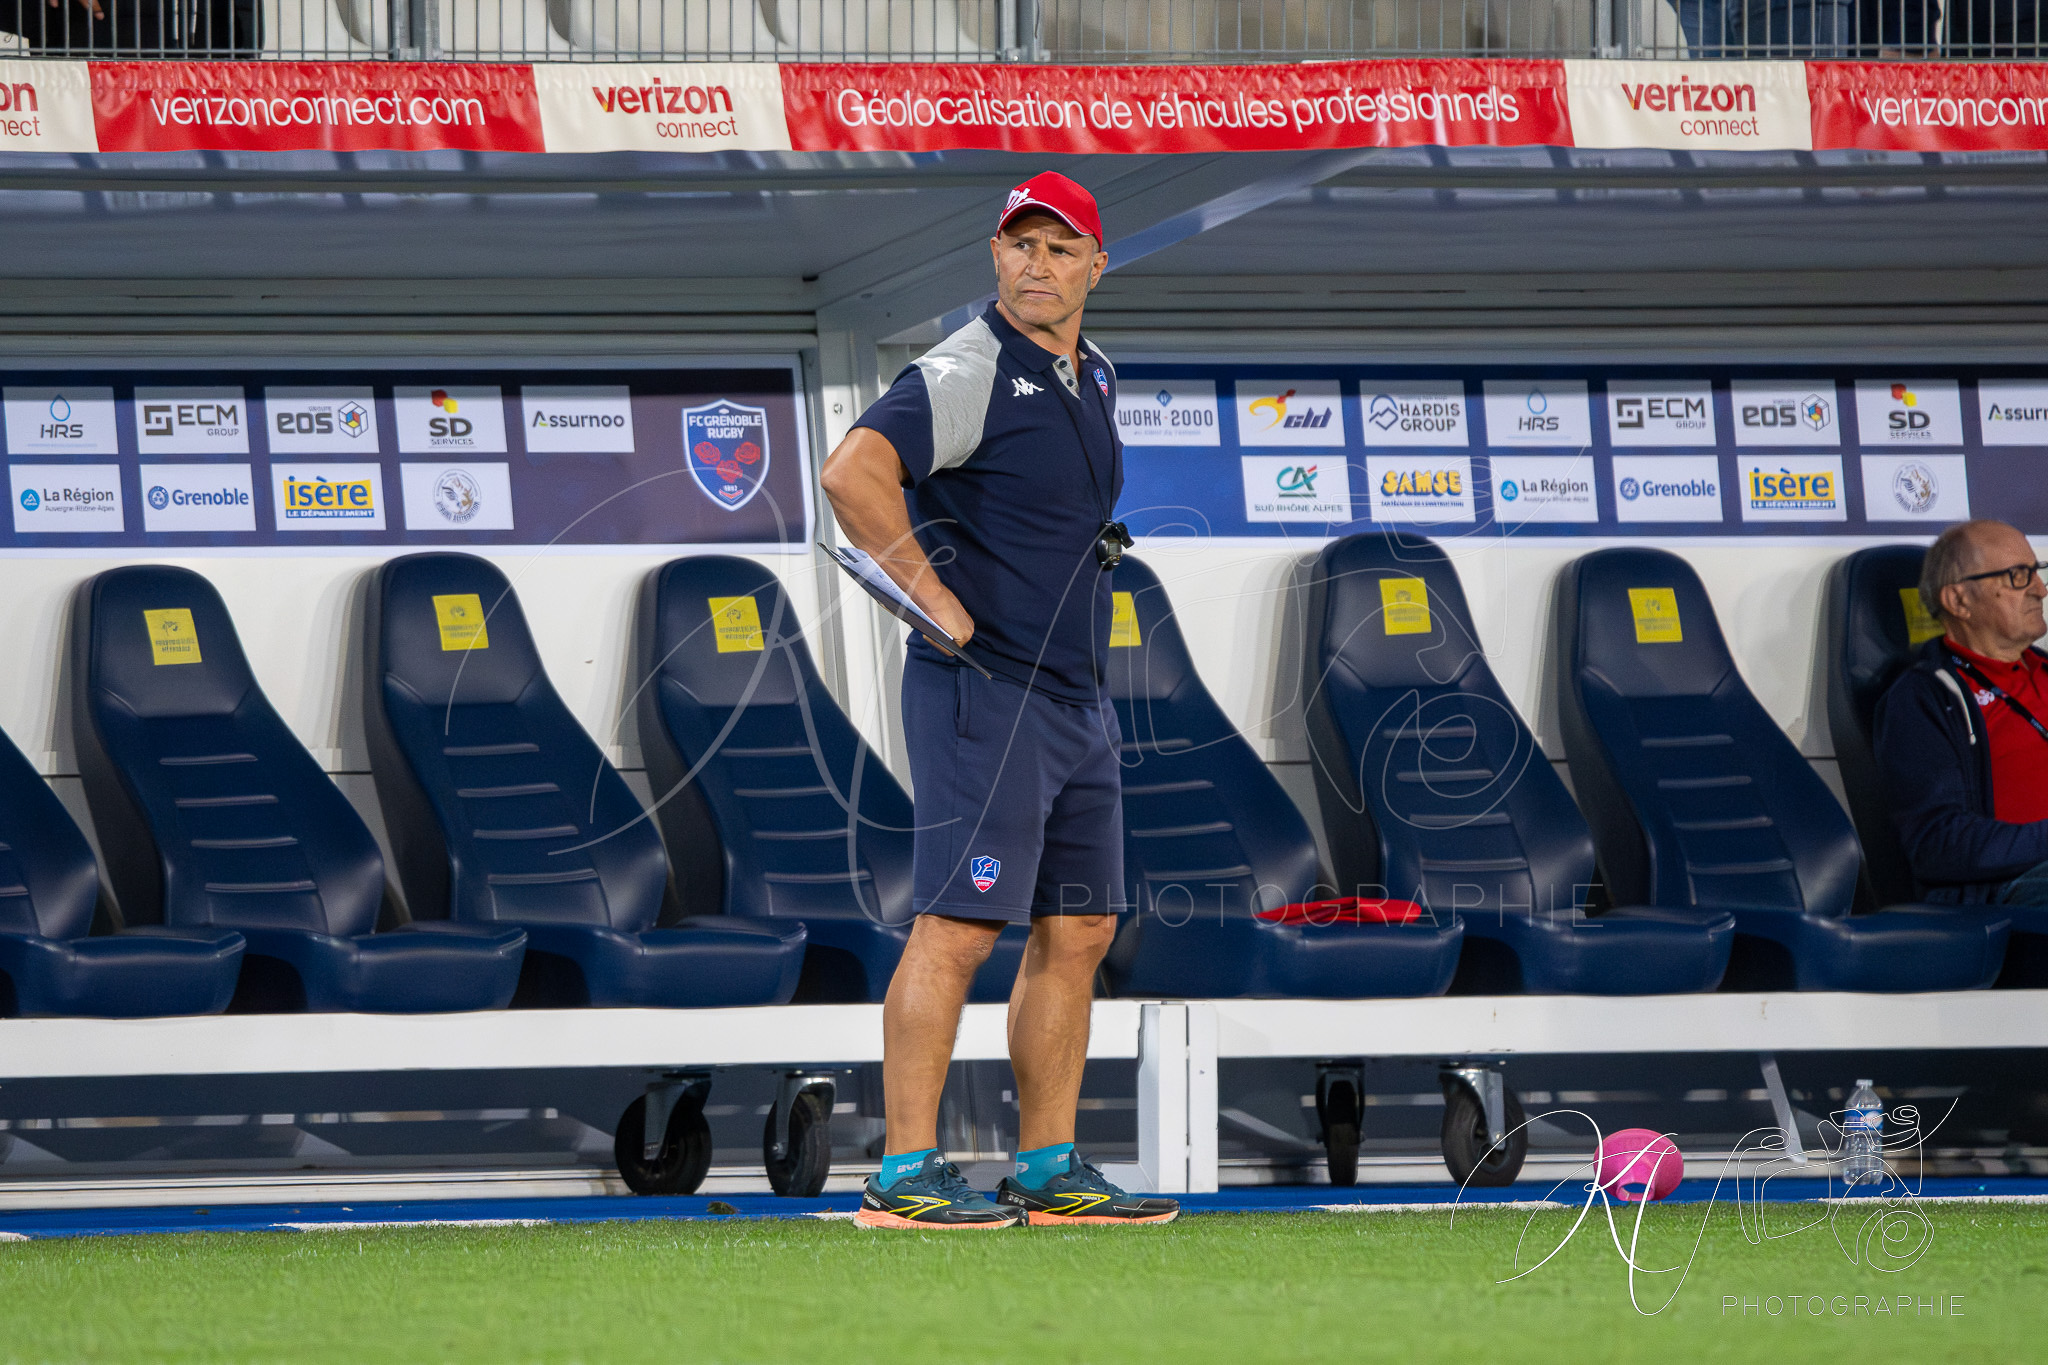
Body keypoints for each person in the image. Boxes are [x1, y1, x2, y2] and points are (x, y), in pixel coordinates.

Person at [819, 172, 1179, 1230]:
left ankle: (1048, 1167)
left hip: (1074, 698)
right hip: (985, 694)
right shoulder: (965, 367)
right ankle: (903, 1177)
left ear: (1095, 267)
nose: (1038, 264)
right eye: (1021, 244)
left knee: (1078, 929)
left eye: (1062, 249)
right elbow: (852, 474)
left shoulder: (1093, 374)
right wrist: (931, 598)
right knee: (959, 926)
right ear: (993, 255)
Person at [1875, 518, 2048, 906]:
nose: (2041, 589)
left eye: (2037, 573)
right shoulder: (1923, 700)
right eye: (2019, 576)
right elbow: (1940, 843)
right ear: (1958, 601)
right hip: (2005, 889)